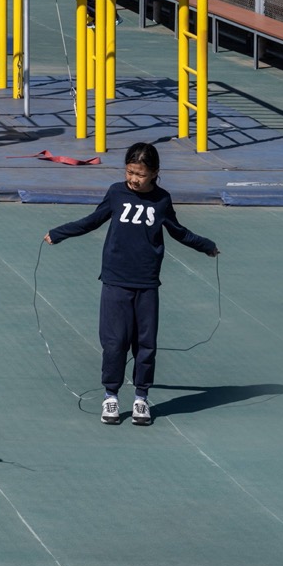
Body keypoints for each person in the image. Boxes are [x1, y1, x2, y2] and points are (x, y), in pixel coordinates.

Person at [45, 141, 220, 427]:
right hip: (115, 280)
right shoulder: (116, 193)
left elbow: (178, 232)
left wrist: (206, 246)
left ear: (154, 173)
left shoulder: (162, 200)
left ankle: (141, 398)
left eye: (140, 174)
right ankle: (110, 396)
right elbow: (92, 221)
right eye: (130, 172)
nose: (134, 180)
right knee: (114, 343)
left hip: (147, 282)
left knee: (145, 344)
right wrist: (59, 233)